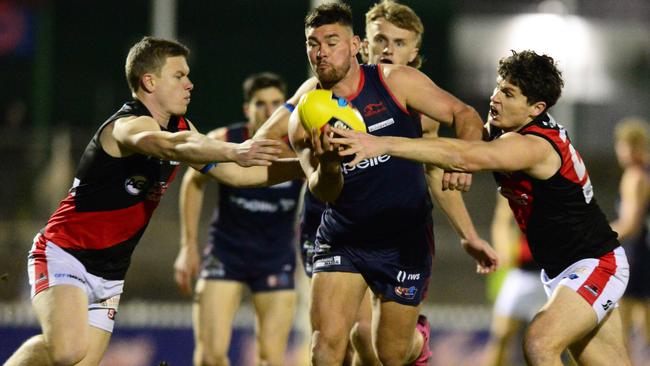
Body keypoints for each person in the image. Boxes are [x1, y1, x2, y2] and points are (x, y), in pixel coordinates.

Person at [333, 49, 632, 366]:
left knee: (539, 343)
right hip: (563, 268)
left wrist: (381, 143)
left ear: (536, 108)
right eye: (498, 86)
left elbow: (464, 154)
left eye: (508, 93)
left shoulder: (533, 145)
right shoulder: (504, 131)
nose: (495, 98)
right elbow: (456, 148)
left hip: (596, 263)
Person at [3, 36, 283, 366]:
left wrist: (307, 168)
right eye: (179, 76)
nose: (190, 84)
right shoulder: (125, 126)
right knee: (67, 350)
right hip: (64, 256)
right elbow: (165, 145)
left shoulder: (182, 128)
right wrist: (235, 149)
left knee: (74, 361)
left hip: (110, 276)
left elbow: (237, 176)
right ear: (149, 81)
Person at [287, 4, 498, 365]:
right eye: (312, 43)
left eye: (331, 41)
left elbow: (465, 115)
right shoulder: (304, 118)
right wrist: (330, 164)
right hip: (344, 234)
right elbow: (323, 190)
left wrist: (468, 159)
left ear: (355, 45)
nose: (320, 52)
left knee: (389, 353)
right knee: (325, 347)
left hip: (403, 238)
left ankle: (418, 341)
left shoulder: (394, 81)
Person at [173, 72, 303, 366]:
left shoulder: (299, 146)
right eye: (261, 104)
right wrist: (188, 245)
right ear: (248, 109)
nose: (270, 112)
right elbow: (193, 181)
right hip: (226, 253)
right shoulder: (227, 141)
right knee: (209, 356)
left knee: (271, 358)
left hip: (275, 256)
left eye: (276, 104)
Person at [482, 194, 546, 366]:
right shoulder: (516, 180)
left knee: (562, 342)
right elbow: (503, 220)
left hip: (556, 274)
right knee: (501, 334)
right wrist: (504, 254)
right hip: (522, 273)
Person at [610, 117, 650, 351]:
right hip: (645, 254)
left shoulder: (634, 176)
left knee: (620, 330)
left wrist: (595, 235)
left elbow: (630, 224)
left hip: (635, 256)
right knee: (644, 324)